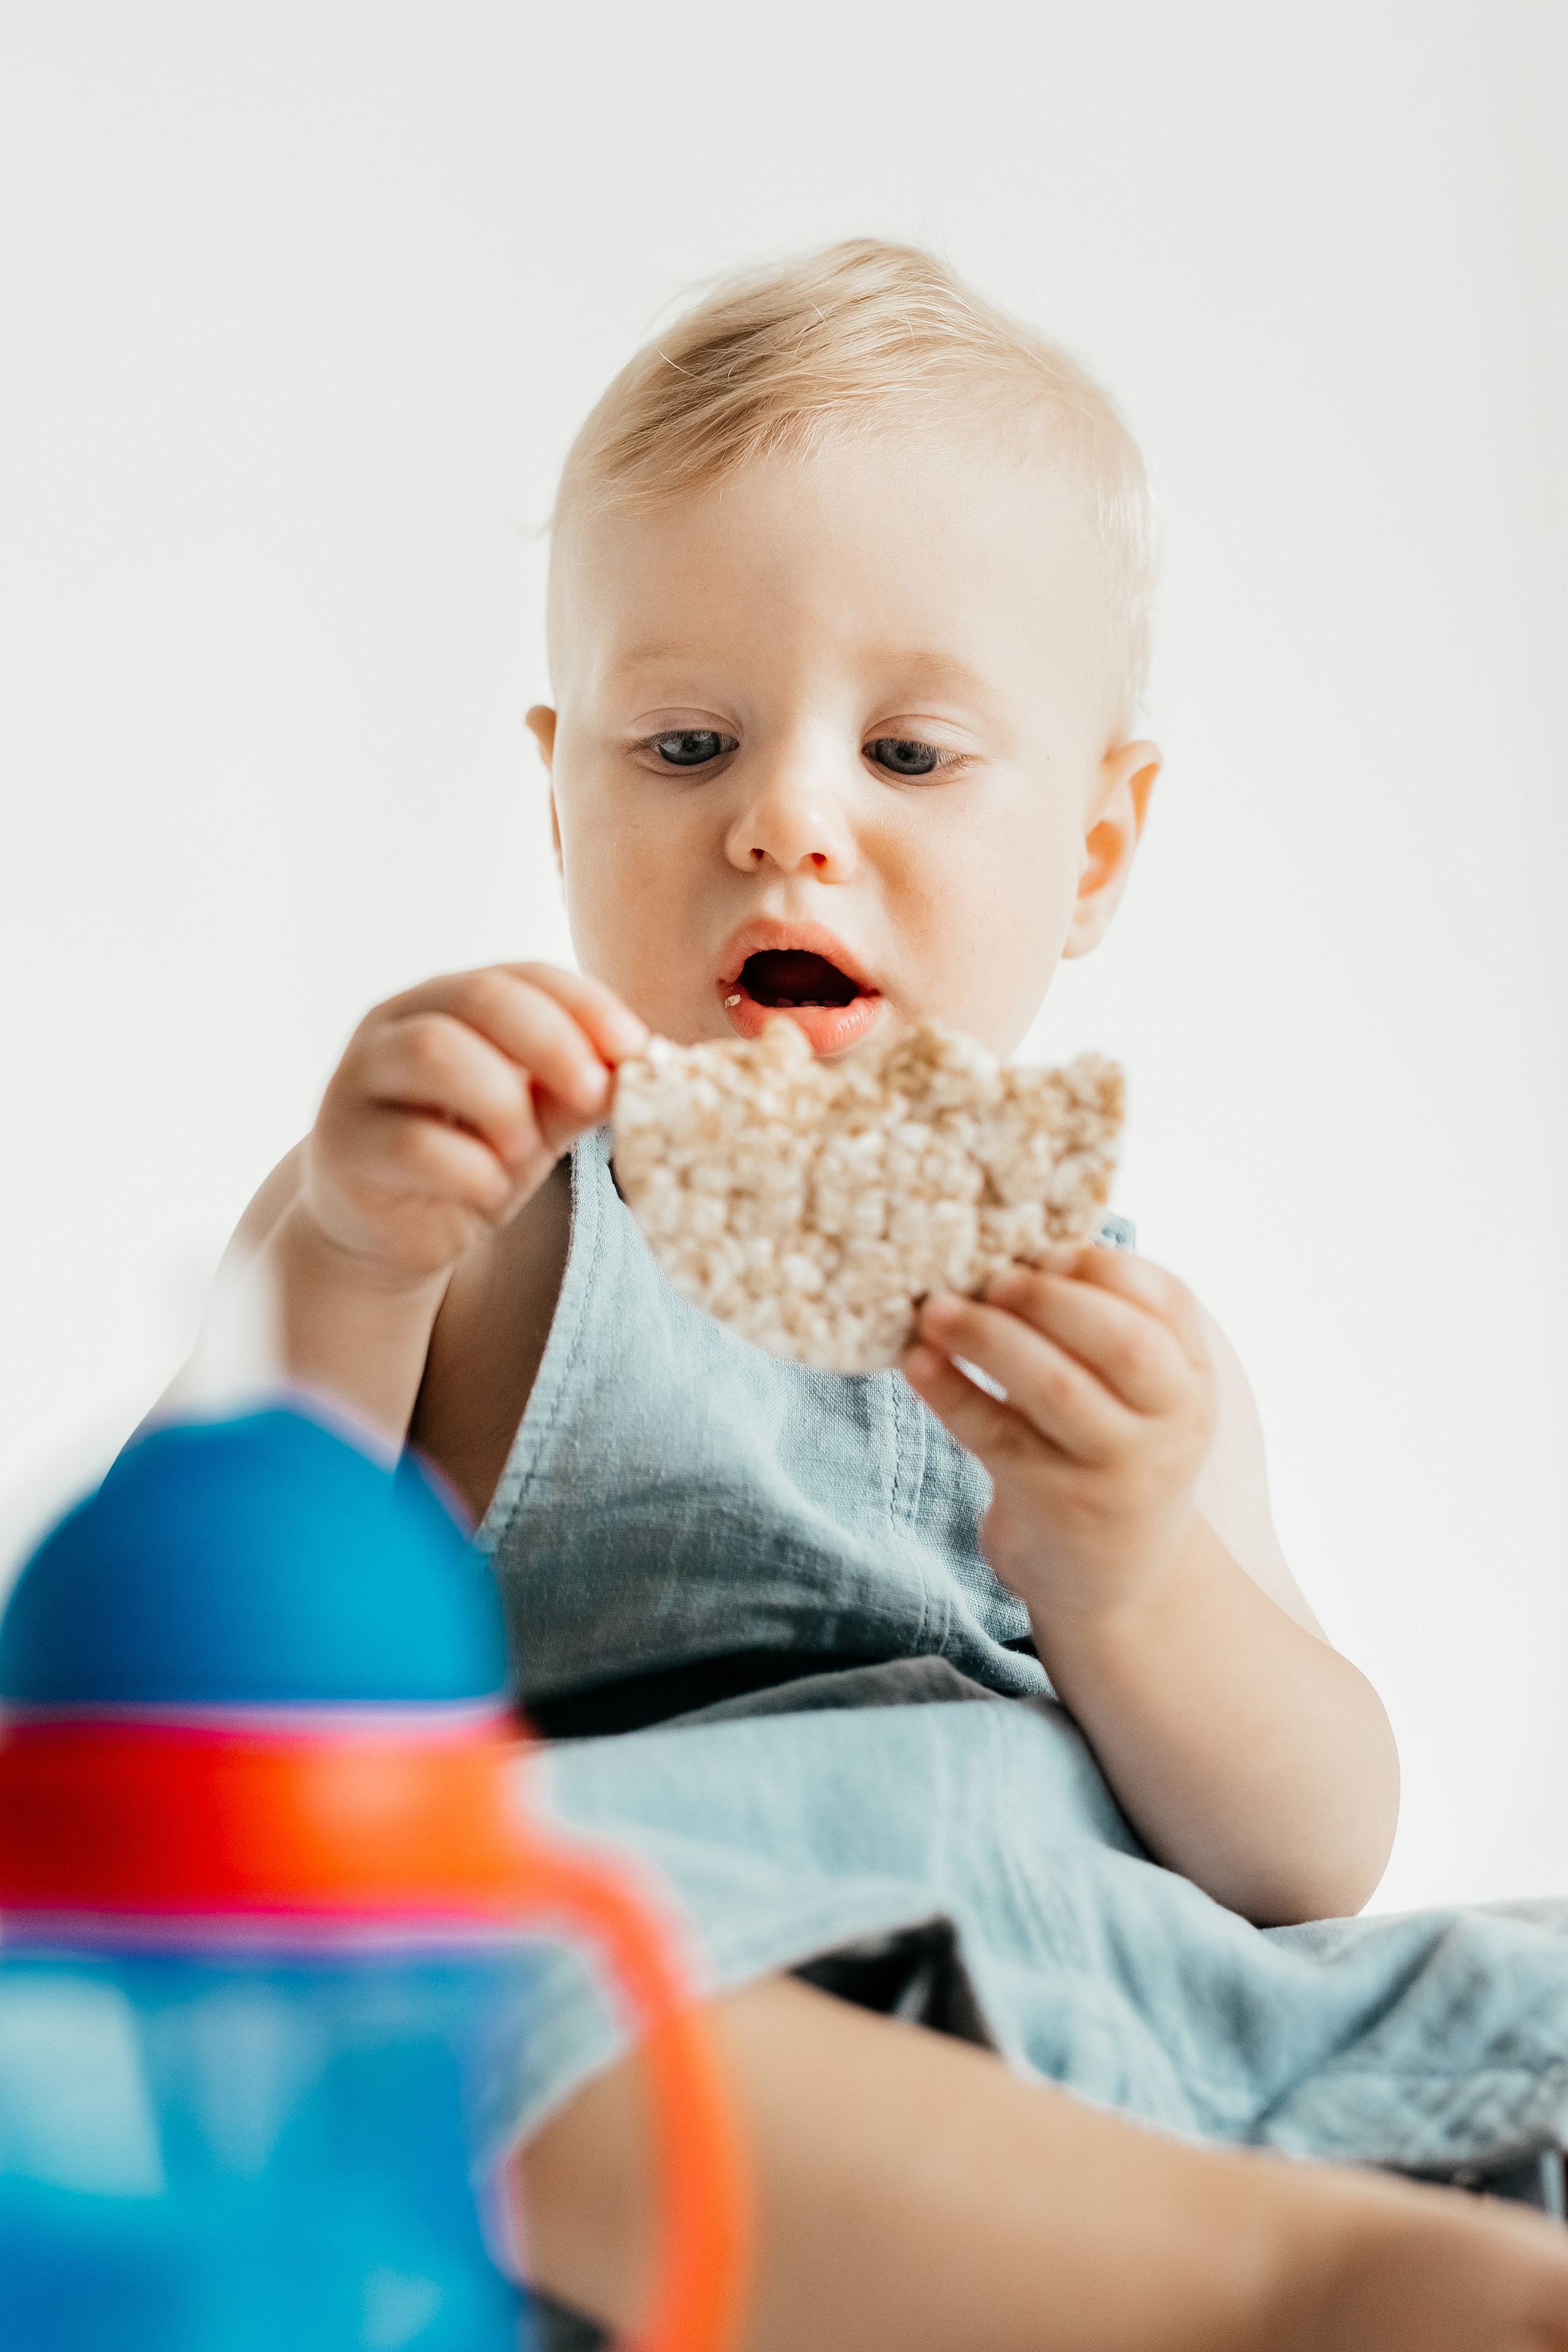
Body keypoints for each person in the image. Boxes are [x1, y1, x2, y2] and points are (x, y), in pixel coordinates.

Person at [214, 241, 1568, 2348]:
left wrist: (1126, 1566)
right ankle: (1313, 2299)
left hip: (1111, 2004)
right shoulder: (470, 1210)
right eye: (686, 744)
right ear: (559, 793)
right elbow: (186, 1634)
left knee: (1503, 1984)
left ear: (1096, 850)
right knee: (405, 2006)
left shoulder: (1123, 1346)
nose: (784, 820)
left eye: (913, 756)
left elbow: (1310, 1855)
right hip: (673, 1999)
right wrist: (344, 1252)